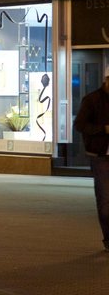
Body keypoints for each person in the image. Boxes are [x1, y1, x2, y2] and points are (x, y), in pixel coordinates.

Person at [75, 65, 109, 253]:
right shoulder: (92, 100)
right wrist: (103, 129)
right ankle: (108, 238)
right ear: (106, 80)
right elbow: (80, 125)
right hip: (101, 157)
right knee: (105, 202)